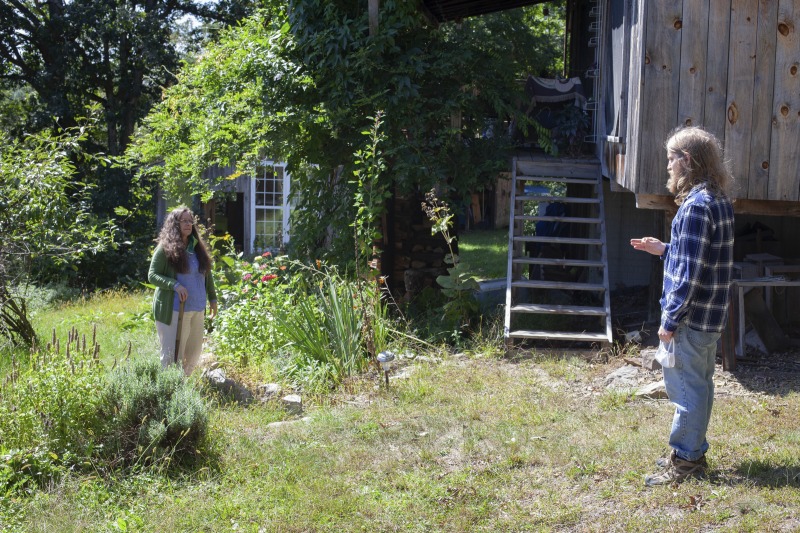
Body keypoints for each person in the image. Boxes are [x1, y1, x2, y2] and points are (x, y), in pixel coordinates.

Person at [630, 126, 735, 486]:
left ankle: (686, 464)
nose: (669, 166)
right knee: (701, 386)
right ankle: (691, 452)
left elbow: (689, 276)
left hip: (691, 320)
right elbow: (702, 257)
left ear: (687, 160)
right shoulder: (718, 200)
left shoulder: (694, 207)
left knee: (687, 391)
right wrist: (664, 249)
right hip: (711, 318)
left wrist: (671, 320)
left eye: (672, 159)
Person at [148, 207, 218, 376]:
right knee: (172, 356)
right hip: (173, 310)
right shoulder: (165, 248)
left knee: (193, 354)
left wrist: (213, 298)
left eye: (190, 221)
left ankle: (183, 388)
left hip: (197, 308)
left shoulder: (196, 247)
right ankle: (168, 392)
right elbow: (152, 275)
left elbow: (206, 274)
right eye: (184, 221)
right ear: (174, 224)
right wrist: (174, 285)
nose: (188, 224)